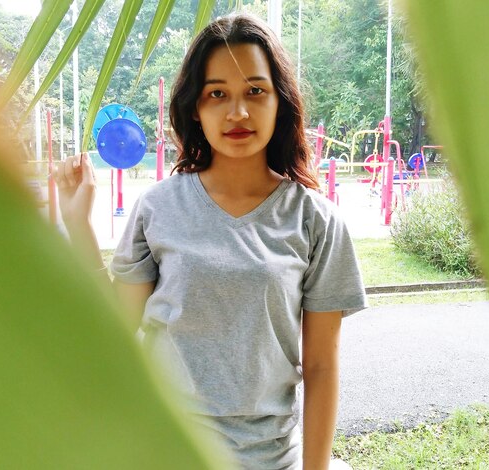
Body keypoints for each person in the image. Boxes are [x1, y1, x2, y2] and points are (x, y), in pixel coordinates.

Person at [54, 14, 367, 470]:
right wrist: (78, 225)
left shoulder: (315, 219)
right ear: (195, 108)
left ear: (280, 102)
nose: (237, 112)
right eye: (217, 93)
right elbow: (117, 331)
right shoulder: (158, 206)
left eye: (255, 91)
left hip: (272, 458)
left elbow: (320, 366)